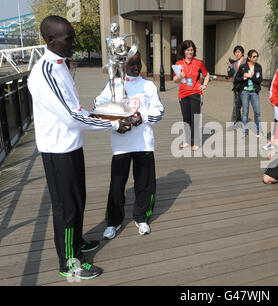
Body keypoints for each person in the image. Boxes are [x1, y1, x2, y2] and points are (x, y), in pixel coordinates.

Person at [27, 15, 132, 280]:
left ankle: (75, 242)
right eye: (69, 38)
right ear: (51, 39)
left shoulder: (61, 65)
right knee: (66, 207)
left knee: (78, 200)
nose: (74, 43)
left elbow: (77, 109)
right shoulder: (46, 72)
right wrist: (113, 123)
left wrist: (108, 112)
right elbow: (73, 117)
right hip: (58, 150)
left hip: (71, 146)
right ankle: (69, 262)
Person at [94, 52, 164, 239]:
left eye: (138, 63)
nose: (135, 67)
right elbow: (98, 105)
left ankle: (142, 217)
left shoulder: (148, 85)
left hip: (143, 143)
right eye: (131, 64)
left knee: (145, 184)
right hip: (120, 143)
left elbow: (159, 112)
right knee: (117, 186)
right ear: (122, 65)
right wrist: (115, 121)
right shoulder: (114, 85)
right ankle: (114, 222)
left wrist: (144, 117)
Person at [173, 40, 210, 151]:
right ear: (184, 51)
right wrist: (180, 76)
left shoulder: (199, 63)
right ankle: (188, 141)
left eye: (192, 50)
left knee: (195, 118)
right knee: (186, 118)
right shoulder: (179, 64)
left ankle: (197, 142)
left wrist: (204, 85)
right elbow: (175, 80)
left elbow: (206, 74)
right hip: (183, 94)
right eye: (188, 50)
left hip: (195, 93)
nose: (190, 52)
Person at [234, 49, 264, 137]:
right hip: (245, 92)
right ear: (249, 57)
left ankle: (259, 131)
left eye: (257, 56)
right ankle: (244, 131)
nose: (256, 58)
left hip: (254, 92)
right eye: (254, 56)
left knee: (257, 112)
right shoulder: (243, 66)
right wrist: (243, 78)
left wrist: (250, 76)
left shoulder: (258, 67)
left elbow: (259, 80)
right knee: (245, 112)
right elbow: (236, 79)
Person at [227, 45, 246, 125]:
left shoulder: (246, 61)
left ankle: (234, 121)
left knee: (243, 105)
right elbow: (230, 74)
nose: (237, 54)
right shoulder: (234, 63)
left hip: (244, 86)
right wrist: (229, 67)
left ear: (242, 53)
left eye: (239, 52)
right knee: (236, 103)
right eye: (235, 52)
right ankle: (237, 119)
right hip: (236, 86)